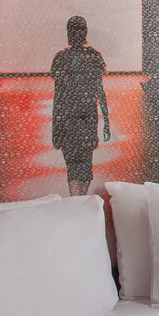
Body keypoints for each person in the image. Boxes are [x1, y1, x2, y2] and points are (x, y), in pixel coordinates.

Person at [50, 16, 111, 194]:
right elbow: (99, 91)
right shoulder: (90, 57)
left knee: (77, 166)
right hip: (78, 117)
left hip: (76, 117)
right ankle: (79, 200)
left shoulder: (65, 59)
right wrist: (106, 120)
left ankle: (77, 200)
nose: (76, 34)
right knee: (81, 166)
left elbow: (58, 96)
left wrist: (106, 121)